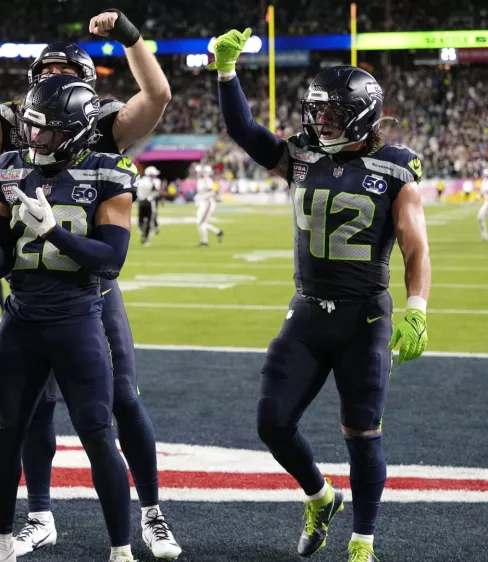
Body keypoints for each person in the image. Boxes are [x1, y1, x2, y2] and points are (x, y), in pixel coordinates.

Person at [0, 10, 179, 560]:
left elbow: (158, 95)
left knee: (119, 401)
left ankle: (150, 513)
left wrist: (129, 37)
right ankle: (39, 516)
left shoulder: (103, 129)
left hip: (89, 291)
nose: (49, 82)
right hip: (29, 292)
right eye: (42, 73)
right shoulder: (19, 132)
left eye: (61, 73)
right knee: (32, 409)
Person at [210, 28, 431, 562]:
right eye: (317, 111)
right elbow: (244, 129)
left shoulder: (396, 166)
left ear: (360, 113)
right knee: (272, 423)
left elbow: (415, 248)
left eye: (330, 112)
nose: (319, 120)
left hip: (365, 318)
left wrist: (417, 309)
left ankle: (363, 542)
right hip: (308, 311)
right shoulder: (302, 155)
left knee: (362, 431)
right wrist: (226, 73)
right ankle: (319, 495)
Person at [0, 74, 139, 562]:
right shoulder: (10, 167)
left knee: (98, 433)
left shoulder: (109, 171)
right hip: (20, 321)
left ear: (77, 131)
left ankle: (121, 551)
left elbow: (111, 259)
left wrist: (54, 232)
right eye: (32, 127)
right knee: (3, 433)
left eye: (47, 130)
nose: (34, 138)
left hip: (78, 320)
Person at [195, 164, 223, 246]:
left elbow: (212, 192)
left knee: (201, 222)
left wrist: (199, 197)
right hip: (203, 202)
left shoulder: (207, 180)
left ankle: (205, 242)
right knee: (201, 222)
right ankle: (218, 232)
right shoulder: (202, 180)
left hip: (207, 203)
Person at [136, 166, 160, 244]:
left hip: (141, 202)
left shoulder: (140, 180)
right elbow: (154, 193)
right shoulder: (152, 182)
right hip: (149, 202)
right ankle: (145, 238)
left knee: (141, 219)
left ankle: (142, 232)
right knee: (149, 221)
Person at [477, 169, 488, 242]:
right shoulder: (484, 182)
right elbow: (482, 193)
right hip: (486, 202)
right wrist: (478, 197)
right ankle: (484, 235)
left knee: (480, 217)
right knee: (480, 218)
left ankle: (484, 235)